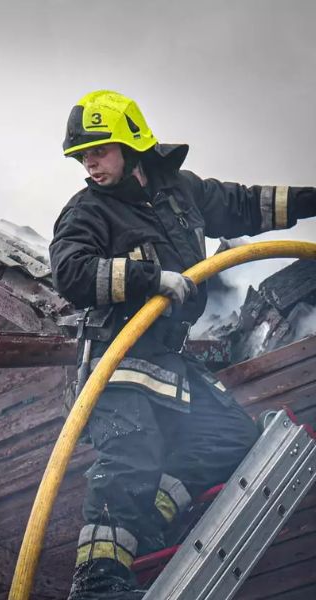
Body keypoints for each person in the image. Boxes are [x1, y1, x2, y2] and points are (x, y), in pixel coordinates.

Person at [49, 90, 316, 600]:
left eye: (99, 150)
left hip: (168, 362)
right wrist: (148, 277)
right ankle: (98, 584)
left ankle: (149, 523)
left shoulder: (179, 193)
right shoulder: (88, 210)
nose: (89, 163)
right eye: (82, 156)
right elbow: (70, 270)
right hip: (119, 366)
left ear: (131, 145)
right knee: (131, 457)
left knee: (230, 442)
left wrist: (312, 200)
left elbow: (245, 203)